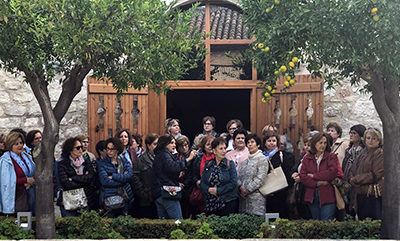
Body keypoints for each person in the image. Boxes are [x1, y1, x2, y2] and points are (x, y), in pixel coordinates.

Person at [300, 133, 338, 220]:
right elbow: (303, 176)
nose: (323, 145)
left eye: (325, 143)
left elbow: (332, 173)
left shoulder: (331, 157)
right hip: (312, 194)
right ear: (314, 143)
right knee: (316, 222)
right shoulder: (307, 158)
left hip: (327, 194)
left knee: (326, 221)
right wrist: (317, 183)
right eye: (320, 143)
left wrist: (314, 175)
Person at [57, 137, 96, 216]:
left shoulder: (86, 162)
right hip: (69, 201)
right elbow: (66, 184)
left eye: (81, 147)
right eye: (78, 148)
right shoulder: (63, 164)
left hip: (84, 199)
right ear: (70, 149)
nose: (81, 150)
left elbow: (91, 178)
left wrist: (73, 178)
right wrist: (83, 181)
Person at [350, 128, 383, 220]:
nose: (370, 141)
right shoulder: (363, 152)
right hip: (360, 192)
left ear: (379, 140)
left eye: (374, 138)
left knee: (372, 221)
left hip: (372, 193)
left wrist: (356, 180)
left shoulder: (379, 153)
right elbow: (353, 169)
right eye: (368, 138)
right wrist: (351, 178)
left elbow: (376, 174)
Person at [151, 135, 188, 219]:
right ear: (164, 144)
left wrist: (176, 182)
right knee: (177, 222)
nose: (174, 145)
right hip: (167, 194)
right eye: (171, 143)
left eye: (175, 143)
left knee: (164, 225)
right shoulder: (164, 154)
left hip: (159, 193)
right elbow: (173, 167)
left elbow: (164, 173)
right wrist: (187, 160)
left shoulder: (159, 154)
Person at [200, 137, 238, 216]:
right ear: (214, 151)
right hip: (211, 202)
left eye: (225, 148)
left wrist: (218, 190)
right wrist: (209, 189)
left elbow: (233, 183)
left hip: (227, 201)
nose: (224, 151)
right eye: (221, 149)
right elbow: (202, 183)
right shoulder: (209, 164)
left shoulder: (229, 164)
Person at [0, 131, 35, 215]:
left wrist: (31, 181)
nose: (20, 145)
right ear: (10, 145)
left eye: (21, 143)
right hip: (16, 196)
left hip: (30, 193)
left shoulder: (27, 157)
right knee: (22, 222)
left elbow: (34, 171)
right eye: (16, 144)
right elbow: (6, 181)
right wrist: (25, 180)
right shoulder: (5, 161)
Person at [97, 138, 134, 217]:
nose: (109, 151)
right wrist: (123, 179)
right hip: (109, 198)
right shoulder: (102, 164)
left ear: (117, 150)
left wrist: (113, 176)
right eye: (107, 149)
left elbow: (130, 176)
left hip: (125, 196)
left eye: (112, 149)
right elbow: (105, 181)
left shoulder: (124, 162)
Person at [263, 132, 294, 219]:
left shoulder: (281, 155)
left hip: (280, 189)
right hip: (266, 190)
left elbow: (287, 171)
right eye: (269, 141)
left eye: (274, 140)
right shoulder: (262, 155)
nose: (271, 143)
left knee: (281, 212)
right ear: (265, 142)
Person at [237, 134, 269, 216]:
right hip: (243, 200)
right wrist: (240, 187)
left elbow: (260, 179)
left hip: (256, 199)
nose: (250, 144)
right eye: (248, 142)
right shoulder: (245, 161)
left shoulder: (262, 159)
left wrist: (247, 190)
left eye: (252, 142)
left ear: (258, 145)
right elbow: (239, 176)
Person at [186, 135, 215, 217]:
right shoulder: (198, 158)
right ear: (203, 146)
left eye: (212, 144)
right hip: (200, 191)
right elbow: (193, 173)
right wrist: (196, 181)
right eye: (208, 144)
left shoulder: (219, 158)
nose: (210, 147)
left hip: (214, 191)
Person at [131, 133, 159, 218]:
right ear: (148, 145)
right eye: (155, 144)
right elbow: (135, 177)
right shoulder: (141, 160)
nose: (157, 146)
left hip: (160, 197)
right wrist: (143, 193)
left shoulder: (162, 158)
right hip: (147, 200)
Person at [175, 135, 198, 218]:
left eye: (186, 145)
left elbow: (192, 172)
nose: (184, 148)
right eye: (181, 146)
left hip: (189, 186)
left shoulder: (193, 156)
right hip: (177, 186)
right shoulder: (175, 157)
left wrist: (185, 184)